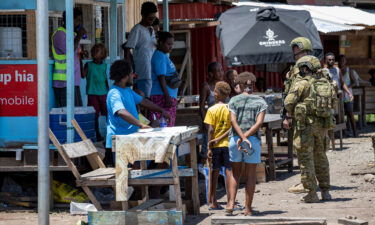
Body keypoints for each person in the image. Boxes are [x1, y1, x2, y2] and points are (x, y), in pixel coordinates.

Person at [284, 55, 333, 203]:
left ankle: (312, 193)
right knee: (321, 158)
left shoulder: (303, 83)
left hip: (305, 127)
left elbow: (288, 102)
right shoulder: (326, 83)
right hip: (322, 126)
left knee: (306, 159)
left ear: (306, 68)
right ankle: (326, 191)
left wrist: (293, 111)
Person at [226, 72, 267, 215]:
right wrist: (246, 137)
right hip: (252, 141)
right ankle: (248, 208)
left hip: (235, 140)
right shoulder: (260, 101)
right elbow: (259, 122)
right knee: (250, 175)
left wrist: (241, 136)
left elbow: (232, 121)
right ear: (253, 85)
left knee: (235, 174)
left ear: (241, 85)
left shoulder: (233, 101)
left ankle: (230, 204)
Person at [106, 60, 171, 150]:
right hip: (119, 140)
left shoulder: (127, 90)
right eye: (131, 73)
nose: (133, 76)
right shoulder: (114, 93)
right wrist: (141, 124)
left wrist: (161, 110)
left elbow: (143, 101)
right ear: (125, 76)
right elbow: (121, 112)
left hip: (131, 137)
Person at [280, 37, 313, 194]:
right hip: (317, 117)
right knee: (315, 151)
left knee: (302, 150)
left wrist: (287, 116)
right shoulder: (318, 68)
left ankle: (306, 183)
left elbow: (291, 95)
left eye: (297, 53)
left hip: (301, 116)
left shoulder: (298, 70)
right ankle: (313, 181)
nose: (296, 56)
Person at [204, 81, 232, 210]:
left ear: (216, 94)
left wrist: (209, 146)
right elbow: (233, 127)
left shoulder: (211, 109)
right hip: (228, 144)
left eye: (214, 90)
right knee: (229, 173)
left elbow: (210, 130)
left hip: (215, 145)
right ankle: (230, 202)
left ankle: (213, 201)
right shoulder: (230, 109)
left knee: (214, 173)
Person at [51, 8, 87, 107]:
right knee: (67, 114)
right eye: (78, 20)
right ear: (70, 20)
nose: (79, 23)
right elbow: (69, 51)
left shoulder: (72, 34)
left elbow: (75, 53)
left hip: (73, 80)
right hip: (63, 82)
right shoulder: (60, 34)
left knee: (77, 113)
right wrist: (79, 35)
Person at [124, 2, 158, 98]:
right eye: (150, 18)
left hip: (153, 72)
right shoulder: (137, 30)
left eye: (153, 18)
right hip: (142, 73)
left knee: (151, 100)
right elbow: (127, 50)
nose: (152, 21)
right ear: (143, 15)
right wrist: (130, 71)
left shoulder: (151, 29)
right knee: (143, 101)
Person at [149, 32, 180, 127]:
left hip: (167, 96)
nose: (171, 47)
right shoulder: (159, 56)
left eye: (172, 44)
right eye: (168, 44)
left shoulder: (164, 56)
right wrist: (167, 97)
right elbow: (161, 77)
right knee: (163, 126)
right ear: (161, 43)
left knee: (168, 124)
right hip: (161, 97)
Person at [82, 43, 109, 141]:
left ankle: (110, 132)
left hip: (103, 93)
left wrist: (108, 92)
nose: (94, 52)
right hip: (92, 94)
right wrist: (80, 60)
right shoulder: (88, 65)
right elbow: (82, 75)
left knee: (107, 114)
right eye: (93, 50)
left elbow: (105, 80)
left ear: (102, 54)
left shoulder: (104, 66)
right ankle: (97, 134)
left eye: (97, 51)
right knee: (95, 115)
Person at [199, 62, 224, 163]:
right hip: (212, 124)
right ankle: (200, 172)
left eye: (221, 70)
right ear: (211, 73)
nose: (221, 73)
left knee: (222, 150)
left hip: (224, 123)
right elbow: (201, 106)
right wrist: (205, 122)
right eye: (218, 71)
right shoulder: (206, 86)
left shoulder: (223, 85)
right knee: (206, 150)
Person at [338, 54, 358, 137]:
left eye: (343, 60)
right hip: (339, 96)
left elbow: (354, 82)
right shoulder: (337, 70)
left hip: (347, 95)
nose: (342, 62)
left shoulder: (349, 71)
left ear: (345, 61)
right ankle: (343, 132)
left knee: (350, 113)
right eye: (340, 60)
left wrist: (347, 87)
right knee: (340, 114)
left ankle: (355, 132)